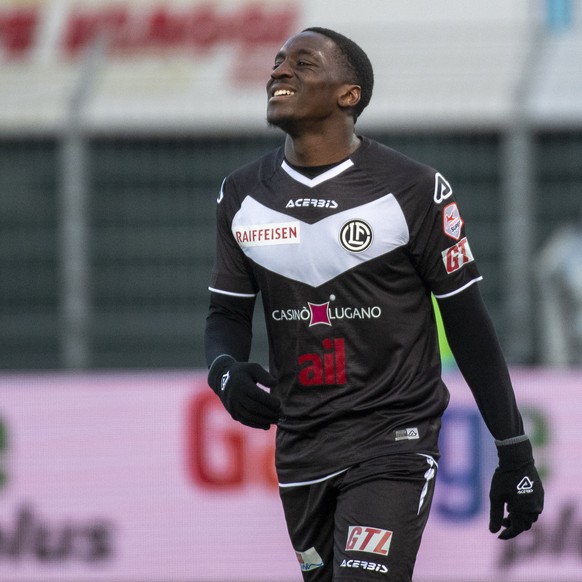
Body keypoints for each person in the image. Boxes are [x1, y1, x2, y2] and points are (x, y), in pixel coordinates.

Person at [204, 27, 544, 581]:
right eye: (277, 62)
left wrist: (515, 451)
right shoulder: (242, 194)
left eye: (303, 63)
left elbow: (469, 325)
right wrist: (224, 372)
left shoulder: (414, 190)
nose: (279, 72)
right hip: (300, 447)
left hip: (394, 438)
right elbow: (226, 314)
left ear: (349, 94)